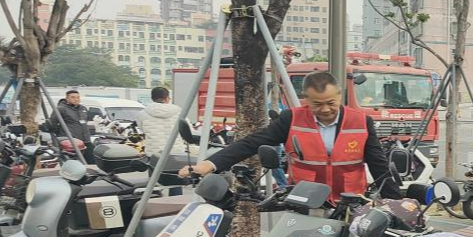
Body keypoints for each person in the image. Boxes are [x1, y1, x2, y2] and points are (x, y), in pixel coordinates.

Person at [180, 70, 398, 202]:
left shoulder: (360, 121)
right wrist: (209, 165)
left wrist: (396, 202)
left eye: (331, 103)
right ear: (306, 100)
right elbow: (251, 143)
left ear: (340, 96)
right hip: (304, 201)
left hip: (350, 204)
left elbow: (378, 165)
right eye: (317, 104)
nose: (325, 109)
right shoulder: (291, 119)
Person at [138, 86, 194, 154]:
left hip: (153, 153)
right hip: (176, 152)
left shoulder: (142, 114)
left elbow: (142, 129)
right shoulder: (179, 113)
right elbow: (189, 131)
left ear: (152, 98)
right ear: (167, 98)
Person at [54, 89, 91, 158]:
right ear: (67, 98)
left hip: (85, 140)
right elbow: (53, 124)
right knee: (74, 161)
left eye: (78, 97)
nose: (76, 99)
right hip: (70, 142)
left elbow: (86, 121)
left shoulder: (83, 108)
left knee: (90, 161)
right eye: (73, 97)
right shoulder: (61, 109)